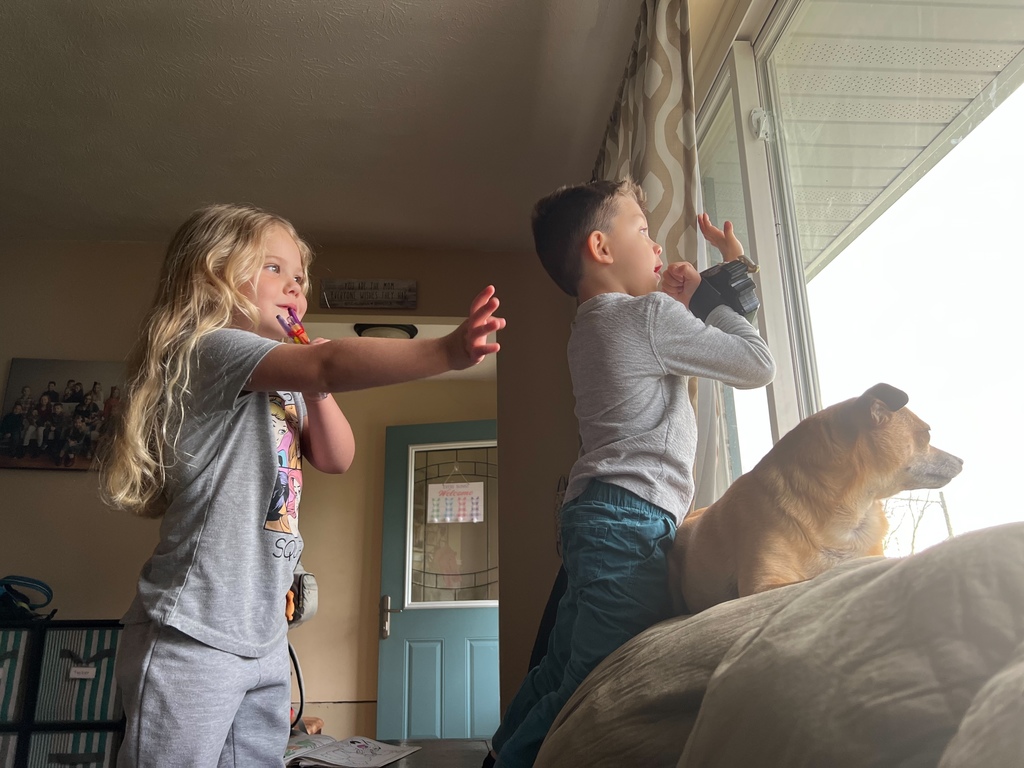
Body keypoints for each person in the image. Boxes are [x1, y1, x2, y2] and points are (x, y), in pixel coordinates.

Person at [98, 202, 505, 768]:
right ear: (212, 276)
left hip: (262, 635)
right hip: (193, 629)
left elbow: (337, 457)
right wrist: (445, 351)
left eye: (300, 277)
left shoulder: (285, 382)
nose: (294, 286)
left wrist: (312, 386)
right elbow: (328, 363)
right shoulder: (210, 349)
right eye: (273, 269)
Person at [484, 178, 775, 768]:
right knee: (590, 687)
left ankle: (498, 756)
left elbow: (662, 335)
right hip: (628, 522)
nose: (659, 245)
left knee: (556, 672)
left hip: (598, 515)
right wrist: (716, 291)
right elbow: (758, 366)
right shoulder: (646, 318)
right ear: (601, 247)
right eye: (643, 230)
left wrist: (681, 302)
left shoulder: (594, 323)